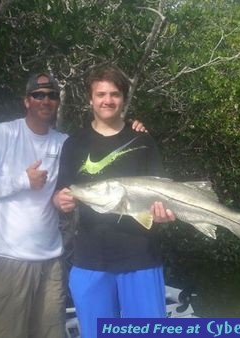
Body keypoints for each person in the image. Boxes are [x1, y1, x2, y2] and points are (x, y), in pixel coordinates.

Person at [0, 72, 148, 338]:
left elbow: (104, 162)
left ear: (58, 102)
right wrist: (22, 180)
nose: (45, 100)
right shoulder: (2, 134)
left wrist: (132, 128)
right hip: (7, 258)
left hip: (51, 261)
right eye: (38, 95)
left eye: (52, 95)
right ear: (27, 100)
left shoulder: (65, 143)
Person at [53, 64, 176, 338]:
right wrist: (59, 201)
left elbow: (162, 192)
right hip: (89, 260)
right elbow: (62, 192)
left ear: (124, 98)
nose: (107, 100)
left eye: (114, 94)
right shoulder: (74, 143)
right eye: (101, 94)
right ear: (90, 98)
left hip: (141, 257)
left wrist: (162, 214)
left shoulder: (142, 139)